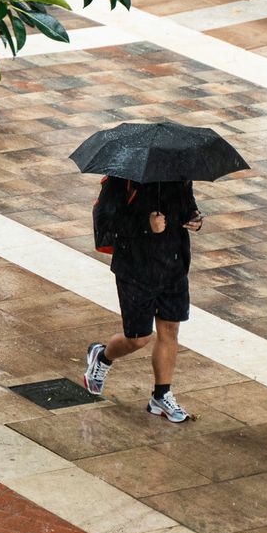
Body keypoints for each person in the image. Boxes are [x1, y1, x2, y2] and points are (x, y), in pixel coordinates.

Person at [83, 178, 202, 422]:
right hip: (135, 269)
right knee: (138, 339)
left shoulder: (180, 174)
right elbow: (105, 223)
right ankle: (103, 356)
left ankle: (161, 395)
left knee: (170, 331)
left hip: (174, 265)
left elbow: (188, 206)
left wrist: (195, 219)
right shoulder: (121, 180)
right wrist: (145, 224)